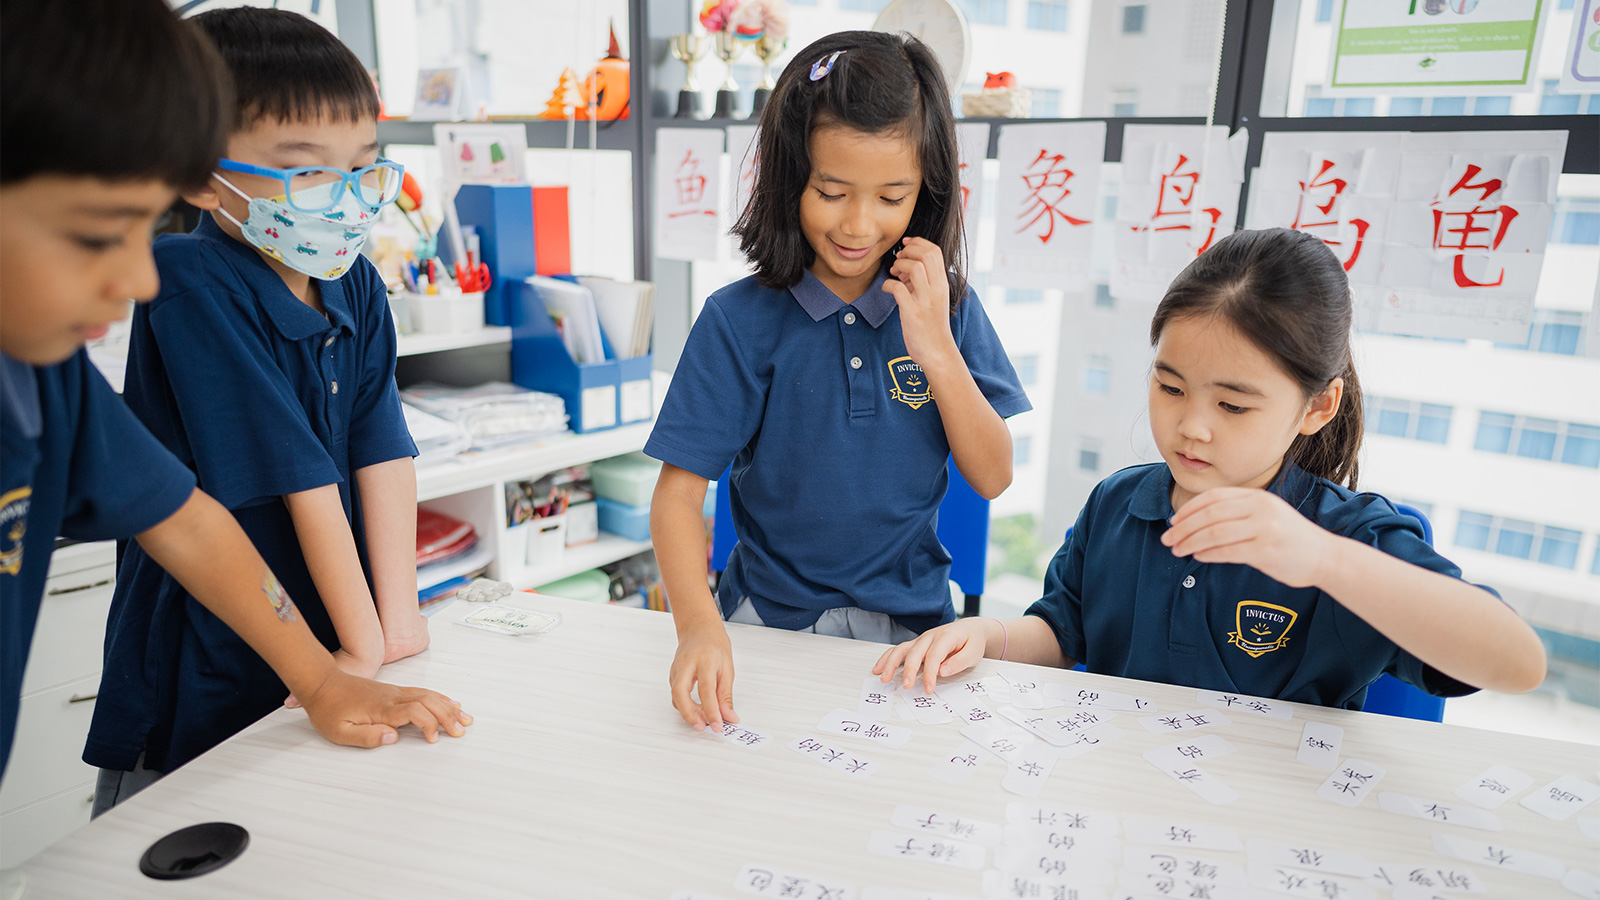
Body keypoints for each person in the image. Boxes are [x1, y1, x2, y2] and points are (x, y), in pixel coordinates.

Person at [0, 0, 468, 784]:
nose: (138, 275)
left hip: (300, 662)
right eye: (97, 231)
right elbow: (290, 480)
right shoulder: (192, 279)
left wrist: (352, 660)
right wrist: (350, 654)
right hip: (198, 679)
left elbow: (188, 520)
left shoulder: (48, 381)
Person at [874, 228, 1546, 707]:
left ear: (1318, 407)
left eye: (1233, 404)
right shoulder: (1120, 503)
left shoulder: (1347, 536)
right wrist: (985, 634)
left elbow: (1518, 662)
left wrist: (1323, 561)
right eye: (1170, 388)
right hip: (1111, 798)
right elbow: (1061, 630)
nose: (1192, 425)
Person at [647, 31, 1032, 733]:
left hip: (917, 634)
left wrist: (937, 347)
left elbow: (994, 475)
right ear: (787, 176)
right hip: (768, 626)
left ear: (929, 191)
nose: (860, 225)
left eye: (893, 197)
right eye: (831, 191)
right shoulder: (738, 320)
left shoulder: (949, 307)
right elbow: (677, 496)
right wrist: (697, 627)